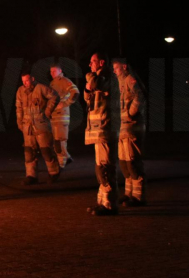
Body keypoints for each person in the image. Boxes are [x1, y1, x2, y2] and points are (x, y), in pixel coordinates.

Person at [84, 53, 118, 216]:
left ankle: (110, 204)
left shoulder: (107, 77)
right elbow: (88, 98)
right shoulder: (99, 78)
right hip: (98, 129)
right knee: (100, 168)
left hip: (106, 127)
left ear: (102, 62)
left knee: (105, 167)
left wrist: (89, 77)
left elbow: (96, 84)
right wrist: (87, 88)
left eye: (93, 62)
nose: (90, 64)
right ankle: (102, 202)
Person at [15, 69, 60, 184]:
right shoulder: (20, 91)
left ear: (32, 79)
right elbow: (19, 108)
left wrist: (48, 110)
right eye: (23, 81)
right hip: (28, 127)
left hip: (41, 124)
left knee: (46, 150)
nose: (25, 83)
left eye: (27, 81)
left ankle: (54, 172)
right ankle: (31, 176)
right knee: (29, 152)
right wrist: (19, 122)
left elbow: (54, 96)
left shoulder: (41, 88)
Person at [113, 58, 147, 206]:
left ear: (124, 67)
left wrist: (130, 113)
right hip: (122, 128)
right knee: (124, 163)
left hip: (132, 127)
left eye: (116, 68)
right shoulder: (118, 83)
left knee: (133, 161)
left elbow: (140, 96)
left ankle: (139, 197)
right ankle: (128, 194)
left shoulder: (130, 80)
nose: (114, 71)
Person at [49, 63, 80, 168]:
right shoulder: (52, 83)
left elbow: (75, 92)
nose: (52, 73)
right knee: (57, 141)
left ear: (60, 71)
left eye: (54, 71)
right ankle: (65, 159)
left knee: (60, 140)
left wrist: (66, 103)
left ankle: (62, 162)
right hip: (54, 116)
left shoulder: (64, 81)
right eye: (51, 71)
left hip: (62, 115)